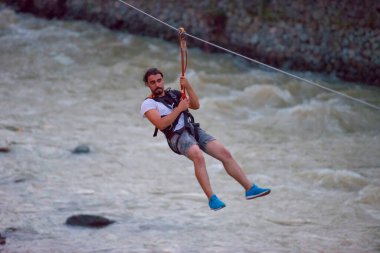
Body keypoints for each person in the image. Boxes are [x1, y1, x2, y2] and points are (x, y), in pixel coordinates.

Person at [140, 67, 270, 211]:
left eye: (159, 81)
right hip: (176, 136)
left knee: (224, 153)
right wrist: (179, 108)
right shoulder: (148, 104)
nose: (157, 85)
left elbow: (195, 105)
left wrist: (188, 87)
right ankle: (212, 198)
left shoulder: (175, 94)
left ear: (163, 80)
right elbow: (161, 124)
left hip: (192, 129)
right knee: (198, 156)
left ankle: (249, 188)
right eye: (153, 82)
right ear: (147, 85)